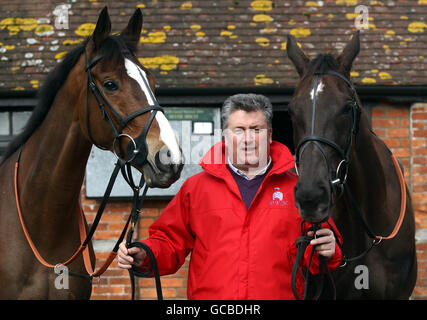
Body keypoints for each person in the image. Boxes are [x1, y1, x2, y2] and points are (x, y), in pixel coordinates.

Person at [117, 93, 342, 299]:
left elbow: (320, 250)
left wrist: (329, 249)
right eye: (239, 130)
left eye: (256, 129)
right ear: (225, 135)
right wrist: (145, 255)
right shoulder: (196, 189)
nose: (248, 138)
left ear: (270, 135)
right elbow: (168, 242)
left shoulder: (298, 189)